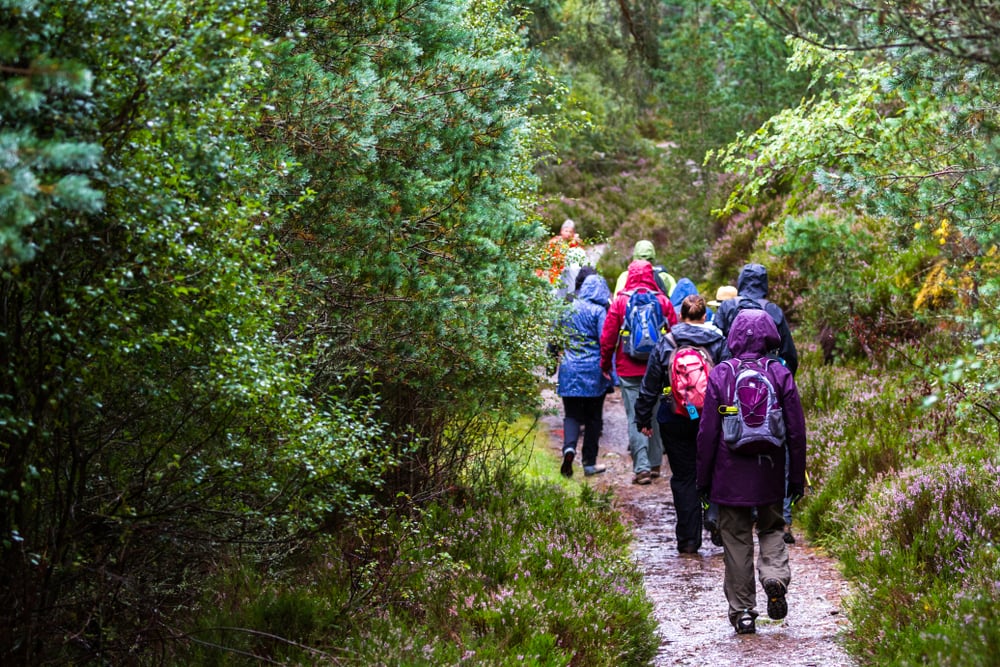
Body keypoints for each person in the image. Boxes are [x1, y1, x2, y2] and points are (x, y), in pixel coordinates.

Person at [695, 309, 807, 635]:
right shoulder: (779, 372)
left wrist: (703, 481)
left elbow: (707, 433)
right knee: (772, 527)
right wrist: (796, 478)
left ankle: (744, 612)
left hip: (729, 475)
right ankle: (774, 576)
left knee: (736, 540)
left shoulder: (721, 373)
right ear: (771, 334)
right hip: (769, 470)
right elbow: (796, 431)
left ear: (733, 335)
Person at [712, 263, 800, 542]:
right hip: (769, 389)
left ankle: (730, 511)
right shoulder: (773, 311)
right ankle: (782, 518)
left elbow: (715, 347)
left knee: (730, 448)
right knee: (775, 446)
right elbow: (790, 354)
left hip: (729, 388)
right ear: (765, 282)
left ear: (740, 281)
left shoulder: (727, 308)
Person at [635, 294, 729, 553]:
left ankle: (688, 540)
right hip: (711, 419)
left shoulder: (667, 342)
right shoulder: (718, 342)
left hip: (674, 417)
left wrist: (643, 418)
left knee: (684, 477)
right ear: (705, 317)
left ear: (680, 316)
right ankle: (714, 516)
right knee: (714, 469)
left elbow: (650, 384)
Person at [600, 260, 678, 485]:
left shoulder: (620, 302)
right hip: (657, 369)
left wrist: (605, 365)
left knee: (635, 416)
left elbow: (608, 338)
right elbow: (675, 334)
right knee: (654, 414)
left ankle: (641, 468)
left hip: (627, 369)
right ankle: (655, 464)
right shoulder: (662, 301)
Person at [556, 273, 614, 477]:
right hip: (593, 372)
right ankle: (589, 463)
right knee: (593, 418)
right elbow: (604, 342)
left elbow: (554, 339)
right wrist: (608, 369)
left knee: (571, 415)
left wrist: (551, 361)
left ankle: (569, 448)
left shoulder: (567, 308)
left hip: (569, 370)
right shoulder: (598, 311)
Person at [542, 218, 583, 285]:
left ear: (574, 233)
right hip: (556, 273)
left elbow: (581, 256)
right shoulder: (554, 242)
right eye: (566, 231)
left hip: (571, 274)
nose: (568, 234)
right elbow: (544, 256)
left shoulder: (575, 242)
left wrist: (577, 242)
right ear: (561, 231)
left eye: (570, 232)